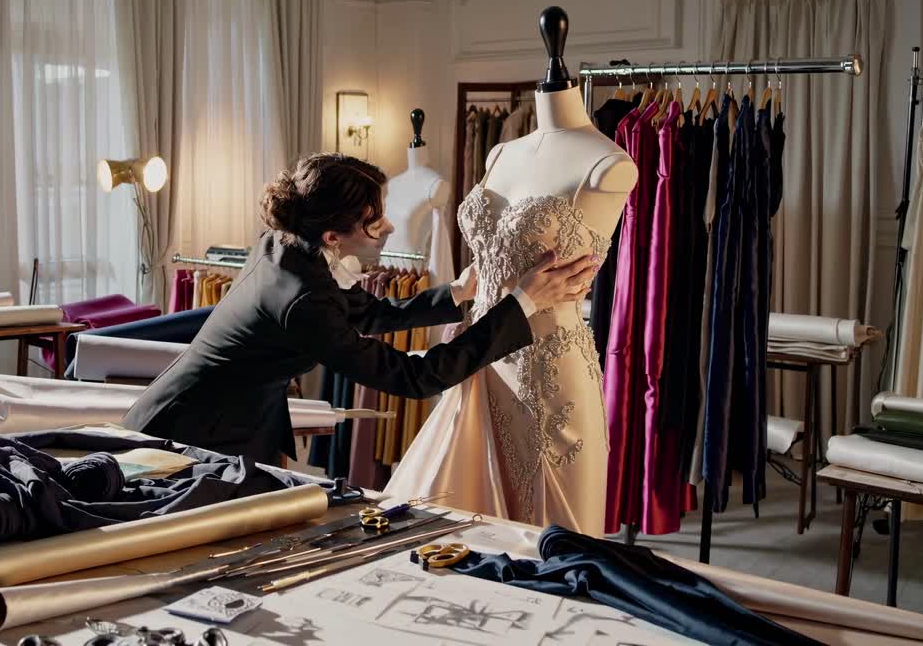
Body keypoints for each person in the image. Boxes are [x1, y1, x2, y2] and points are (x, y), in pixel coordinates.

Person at [122, 152, 601, 464]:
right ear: (333, 236)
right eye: (374, 223)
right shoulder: (302, 299)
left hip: (219, 417)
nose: (390, 227)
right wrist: (523, 303)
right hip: (187, 436)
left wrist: (457, 292)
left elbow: (369, 313)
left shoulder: (289, 249)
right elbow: (416, 378)